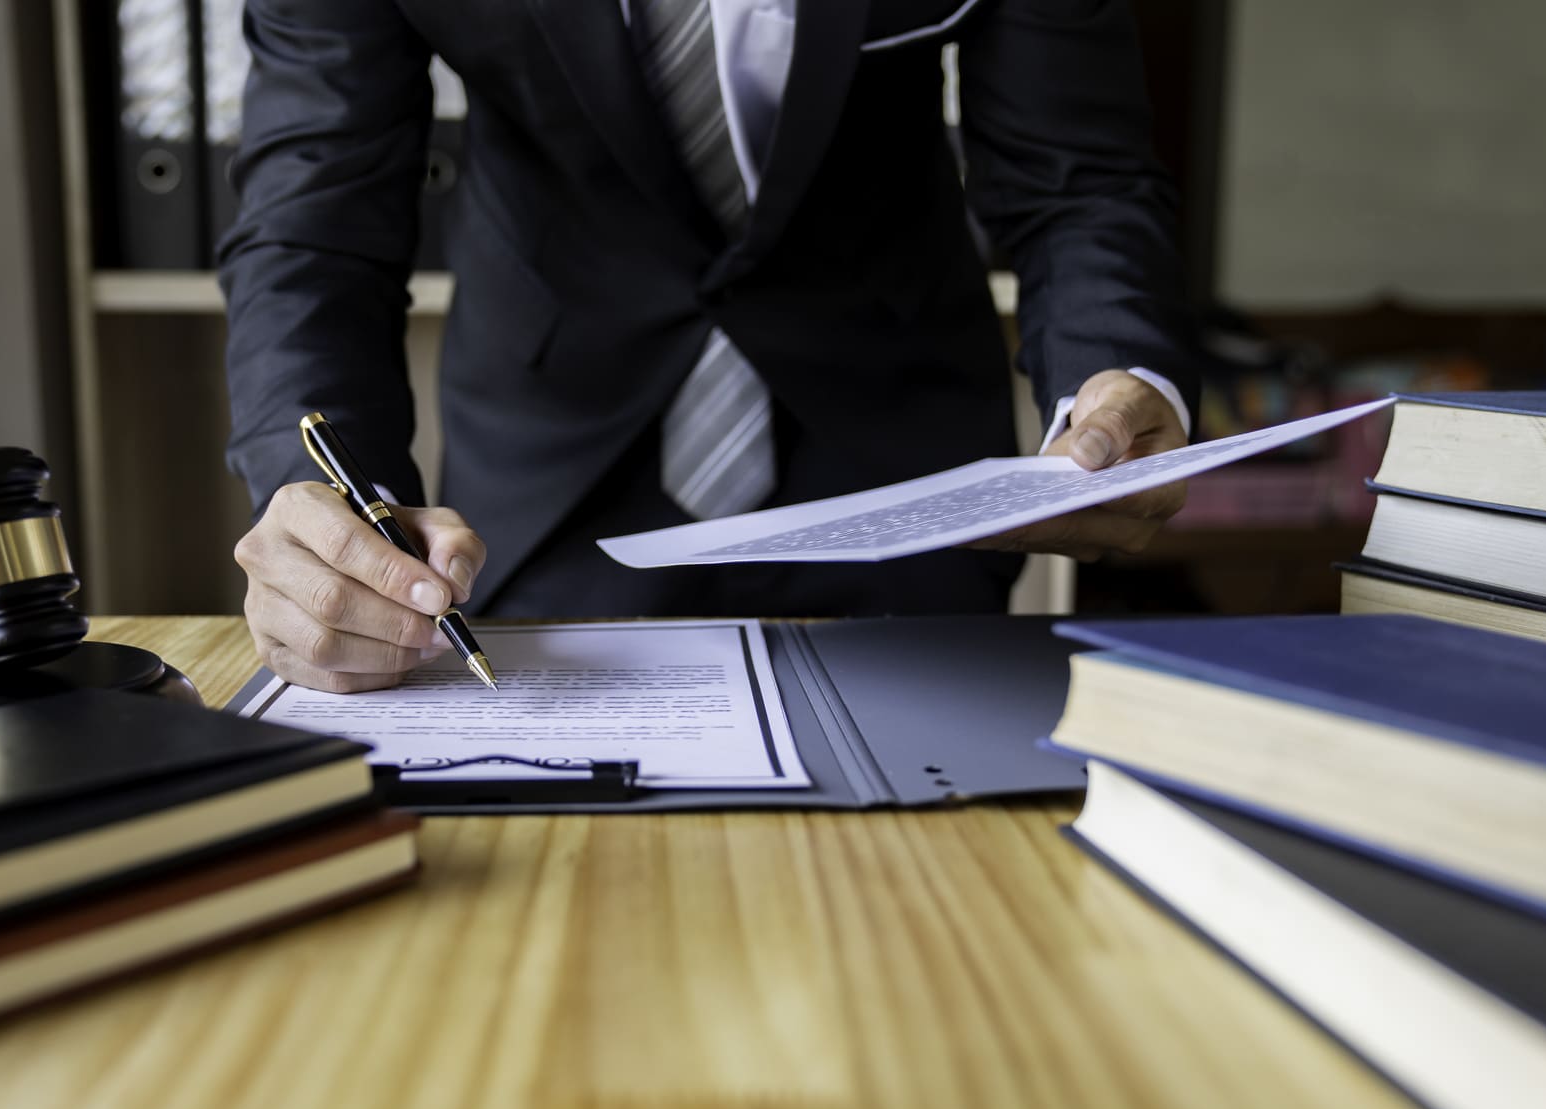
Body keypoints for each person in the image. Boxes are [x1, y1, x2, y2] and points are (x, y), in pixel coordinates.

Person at [219, 0, 1197, 694]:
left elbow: (1080, 182)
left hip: (900, 478)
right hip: (548, 481)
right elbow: (316, 220)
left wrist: (1116, 375)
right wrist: (335, 503)